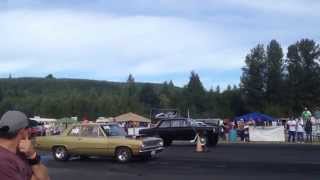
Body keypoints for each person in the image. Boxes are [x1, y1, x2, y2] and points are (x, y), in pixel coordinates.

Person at [0, 111, 50, 180]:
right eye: (28, 127)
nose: (30, 130)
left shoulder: (22, 152)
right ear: (22, 131)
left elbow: (45, 178)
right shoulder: (3, 162)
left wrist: (33, 156)